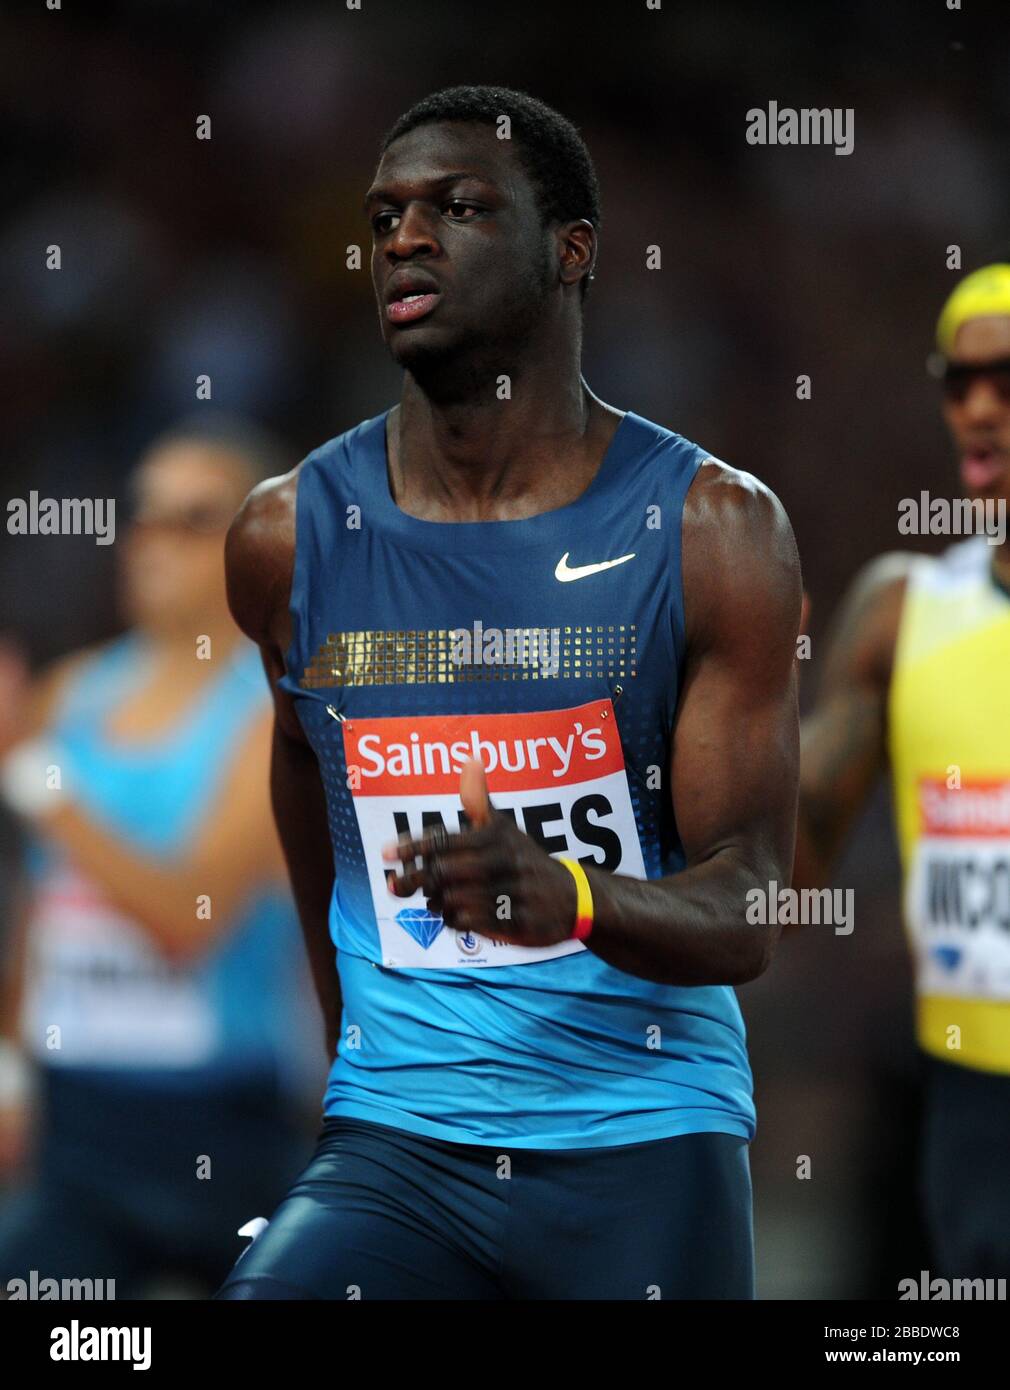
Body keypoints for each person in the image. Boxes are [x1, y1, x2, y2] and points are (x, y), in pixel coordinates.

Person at [217, 85, 802, 1301]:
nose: (403, 239)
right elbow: (300, 765)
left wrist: (569, 896)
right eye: (383, 216)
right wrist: (359, 1050)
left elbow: (747, 904)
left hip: (638, 1135)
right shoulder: (287, 535)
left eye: (457, 207)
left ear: (569, 250)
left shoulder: (710, 530)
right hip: (397, 1144)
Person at [0, 415, 320, 1298]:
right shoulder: (71, 692)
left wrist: (32, 775)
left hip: (220, 1128)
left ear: (257, 543)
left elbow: (188, 921)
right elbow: (46, 911)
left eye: (191, 517)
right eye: (142, 512)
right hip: (77, 1128)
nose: (150, 538)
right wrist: (11, 1074)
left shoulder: (272, 717)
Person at [793, 263, 1010, 1280]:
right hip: (969, 1102)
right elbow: (779, 866)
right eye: (956, 381)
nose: (975, 408)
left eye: (1005, 380)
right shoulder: (900, 610)